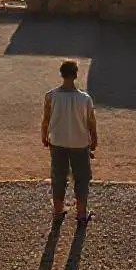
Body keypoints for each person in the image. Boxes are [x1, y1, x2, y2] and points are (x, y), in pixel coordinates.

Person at [42, 60, 98, 222]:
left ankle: (58, 211)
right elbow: (91, 122)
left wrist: (44, 135)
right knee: (81, 178)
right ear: (75, 75)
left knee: (58, 176)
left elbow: (46, 119)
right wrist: (94, 140)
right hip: (80, 143)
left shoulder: (51, 96)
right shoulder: (85, 99)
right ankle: (81, 213)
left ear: (61, 74)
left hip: (57, 141)